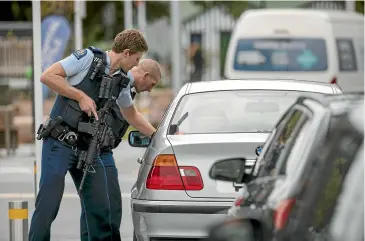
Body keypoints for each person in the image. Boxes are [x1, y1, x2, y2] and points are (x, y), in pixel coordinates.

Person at [29, 29, 157, 241]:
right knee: (48, 206)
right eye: (136, 58)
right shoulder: (88, 59)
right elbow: (48, 76)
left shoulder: (122, 81)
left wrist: (157, 135)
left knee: (100, 210)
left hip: (88, 149)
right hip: (60, 143)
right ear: (126, 53)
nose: (136, 64)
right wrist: (80, 96)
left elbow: (131, 114)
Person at [79, 59, 162, 241]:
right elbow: (132, 117)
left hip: (103, 150)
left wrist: (157, 135)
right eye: (152, 84)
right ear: (146, 75)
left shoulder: (126, 89)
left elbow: (132, 116)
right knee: (101, 207)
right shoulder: (118, 81)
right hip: (94, 149)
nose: (150, 89)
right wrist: (158, 136)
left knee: (104, 207)